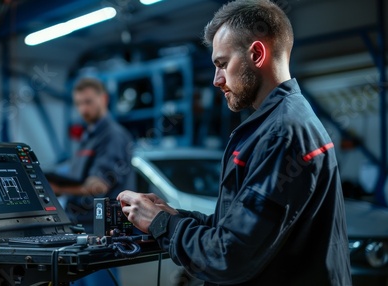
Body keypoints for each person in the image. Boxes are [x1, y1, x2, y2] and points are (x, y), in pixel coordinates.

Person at [117, 1, 352, 285]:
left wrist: (161, 224)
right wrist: (172, 214)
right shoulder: (275, 124)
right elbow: (231, 229)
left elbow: (228, 255)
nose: (217, 80)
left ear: (256, 53)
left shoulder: (281, 133)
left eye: (222, 64)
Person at [50, 77, 135, 286]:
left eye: (88, 101)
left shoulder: (113, 136)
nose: (83, 108)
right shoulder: (89, 136)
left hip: (99, 235)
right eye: (79, 103)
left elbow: (98, 186)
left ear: (103, 99)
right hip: (80, 232)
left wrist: (58, 188)